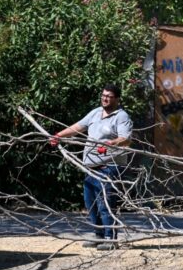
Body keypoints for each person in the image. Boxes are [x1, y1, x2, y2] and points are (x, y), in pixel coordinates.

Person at [49, 84, 133, 251]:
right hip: (91, 167)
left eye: (109, 96)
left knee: (105, 202)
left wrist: (111, 144)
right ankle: (98, 235)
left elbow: (127, 139)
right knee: (91, 203)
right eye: (103, 95)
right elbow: (77, 127)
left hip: (110, 166)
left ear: (117, 99)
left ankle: (110, 238)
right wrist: (58, 135)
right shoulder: (95, 112)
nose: (105, 98)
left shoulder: (122, 116)